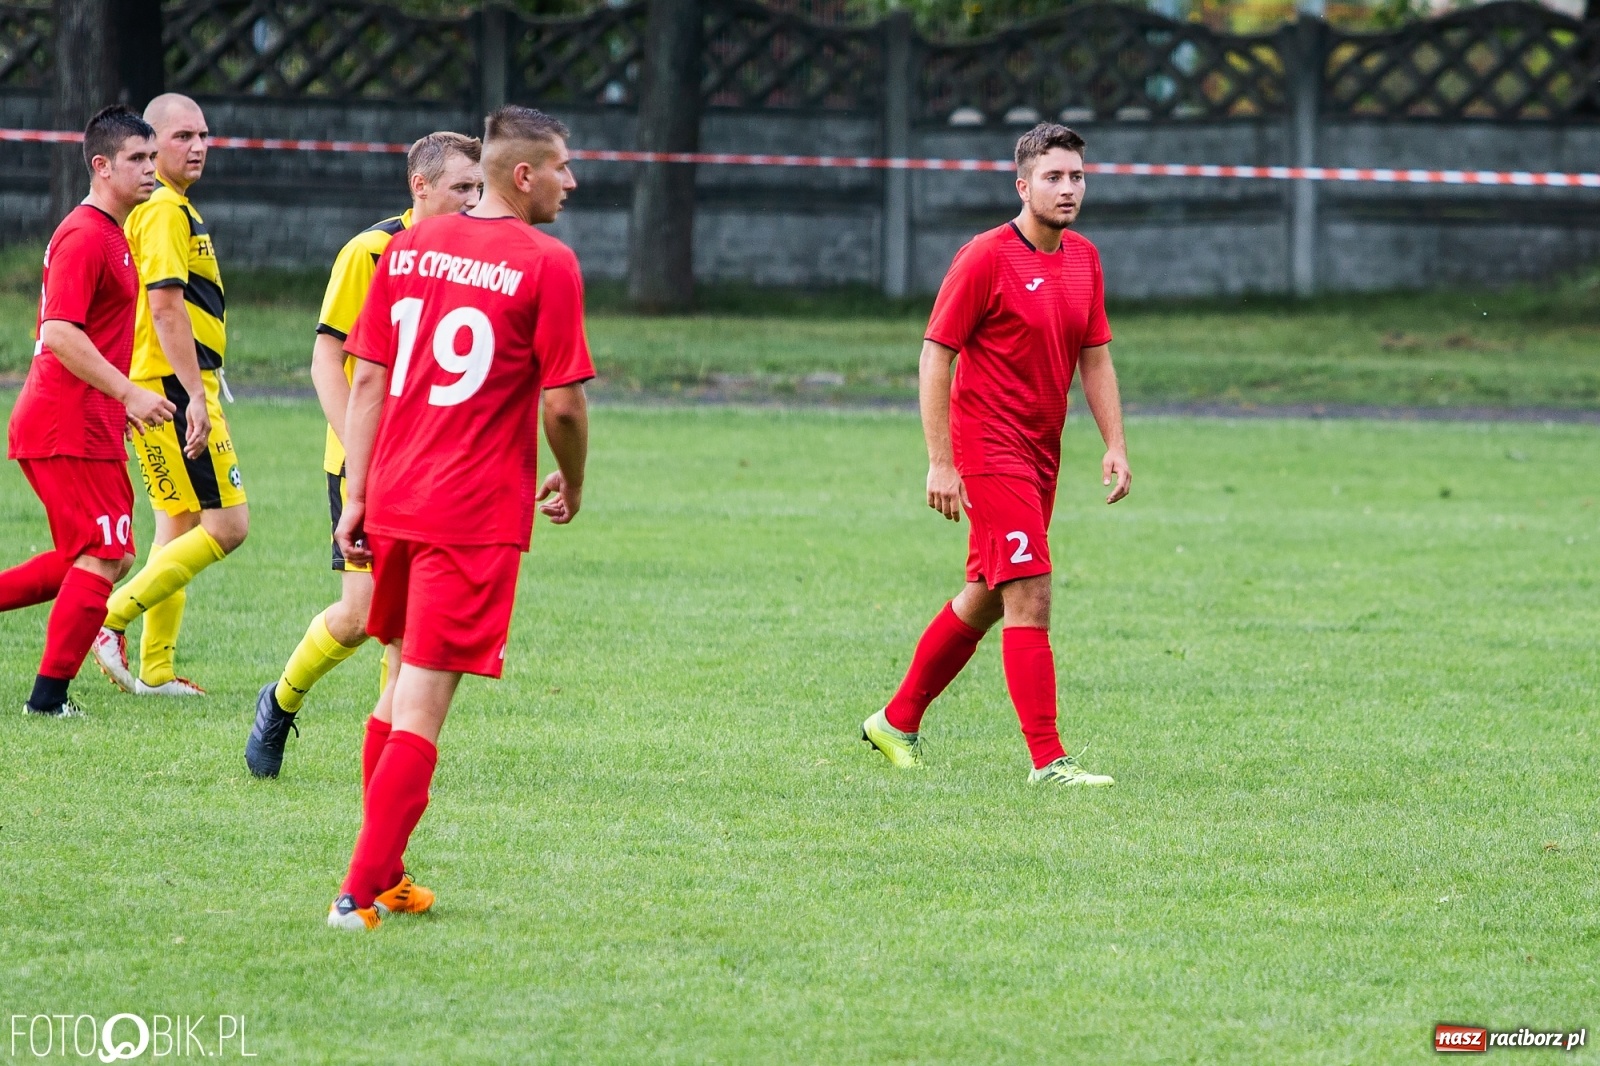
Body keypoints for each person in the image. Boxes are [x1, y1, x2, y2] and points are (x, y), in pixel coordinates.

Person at [325, 105, 593, 930]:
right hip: (468, 513)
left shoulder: (407, 246)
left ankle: (391, 870)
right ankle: (356, 894)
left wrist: (359, 494)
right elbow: (565, 409)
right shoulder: (547, 263)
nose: (571, 182)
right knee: (423, 705)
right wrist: (573, 482)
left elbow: (364, 382)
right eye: (560, 166)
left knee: (400, 679)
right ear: (524, 175)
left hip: (396, 497)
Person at [860, 123, 1131, 786]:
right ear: (1022, 185)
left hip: (1042, 454)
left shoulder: (1085, 260)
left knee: (988, 592)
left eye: (1076, 177)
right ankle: (1048, 761)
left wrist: (1115, 444)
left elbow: (1094, 359)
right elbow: (935, 355)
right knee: (1030, 589)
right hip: (988, 448)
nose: (1068, 189)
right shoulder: (985, 256)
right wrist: (940, 460)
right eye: (1053, 177)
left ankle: (894, 721)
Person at [244, 132, 485, 779]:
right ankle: (280, 701)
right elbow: (328, 357)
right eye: (462, 187)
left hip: (432, 464)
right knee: (358, 617)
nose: (473, 201)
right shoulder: (372, 251)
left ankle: (388, 754)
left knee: (413, 625)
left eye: (479, 189)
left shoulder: (472, 261)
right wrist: (363, 452)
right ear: (421, 186)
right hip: (363, 460)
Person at [1, 106, 175, 717]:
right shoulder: (84, 234)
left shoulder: (113, 232)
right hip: (62, 420)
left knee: (105, 553)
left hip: (87, 418)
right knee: (101, 554)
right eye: (138, 159)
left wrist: (118, 399)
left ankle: (49, 695)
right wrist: (128, 392)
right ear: (101, 166)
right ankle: (47, 700)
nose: (151, 170)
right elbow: (59, 333)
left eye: (152, 158)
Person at [92, 93, 244, 697]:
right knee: (228, 525)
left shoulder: (172, 207)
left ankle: (155, 670)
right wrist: (195, 395)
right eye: (182, 137)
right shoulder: (161, 211)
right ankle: (108, 617)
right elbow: (163, 303)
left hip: (164, 384)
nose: (198, 146)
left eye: (203, 134)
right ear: (152, 147)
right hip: (172, 388)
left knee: (177, 527)